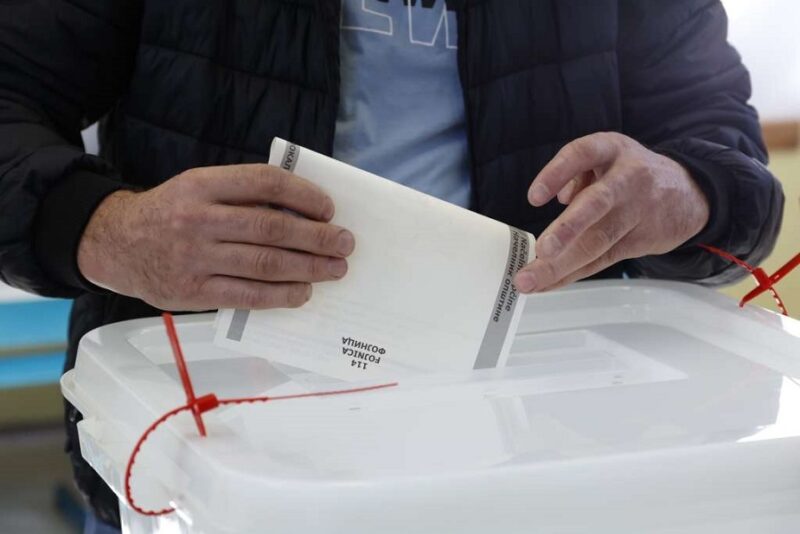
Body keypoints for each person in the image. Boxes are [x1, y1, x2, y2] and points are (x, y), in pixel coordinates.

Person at [0, 0, 784, 530]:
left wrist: (689, 192)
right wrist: (106, 229)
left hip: (544, 453)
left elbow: (726, 157)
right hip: (206, 444)